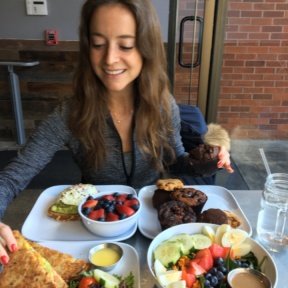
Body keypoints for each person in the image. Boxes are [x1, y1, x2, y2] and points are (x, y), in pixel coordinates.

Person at [0, 0, 233, 265]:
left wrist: (208, 163)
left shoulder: (162, 104)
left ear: (146, 48)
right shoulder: (71, 112)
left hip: (152, 230)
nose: (109, 58)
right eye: (98, 44)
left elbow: (176, 163)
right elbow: (15, 174)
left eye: (125, 45)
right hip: (94, 234)